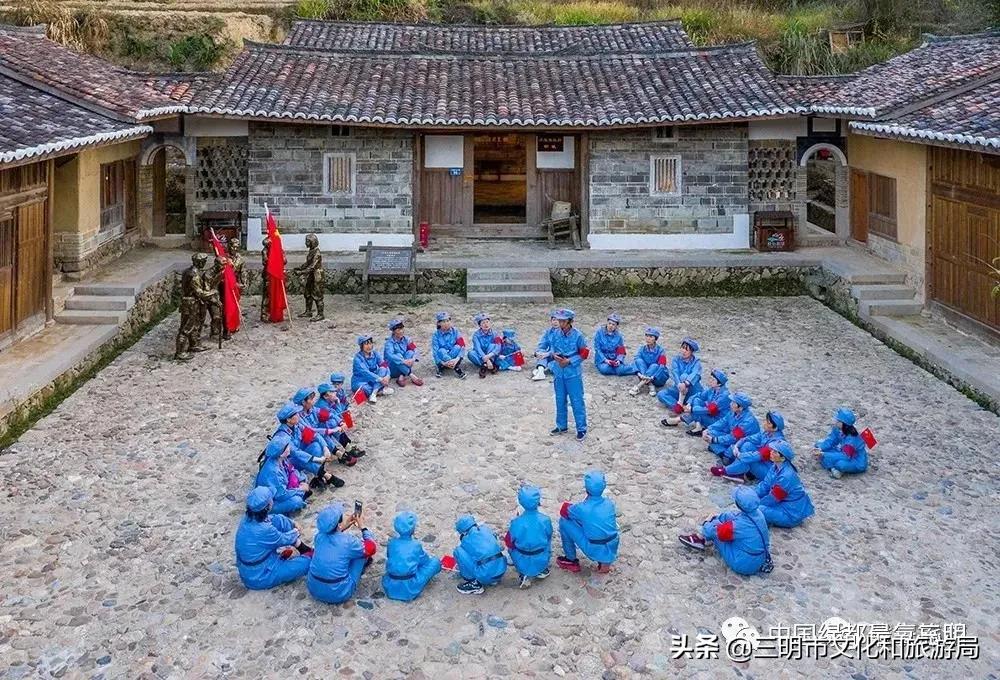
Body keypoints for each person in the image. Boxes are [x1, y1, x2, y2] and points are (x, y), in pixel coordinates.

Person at [677, 487, 771, 576]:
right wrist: (720, 517)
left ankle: (700, 539)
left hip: (743, 563)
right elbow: (735, 515)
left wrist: (707, 522)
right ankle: (702, 537)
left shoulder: (738, 525)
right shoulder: (758, 513)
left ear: (739, 504)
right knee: (722, 525)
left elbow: (715, 531)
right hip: (760, 558)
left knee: (716, 531)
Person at [235, 486, 313, 590]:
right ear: (267, 506)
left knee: (278, 519)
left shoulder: (247, 519)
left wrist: (292, 523)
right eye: (271, 499)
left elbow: (273, 519)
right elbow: (283, 539)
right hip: (260, 575)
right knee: (306, 564)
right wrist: (295, 531)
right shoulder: (265, 530)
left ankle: (297, 549)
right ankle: (303, 552)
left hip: (251, 568)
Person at [307, 503, 378, 604]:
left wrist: (342, 527)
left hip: (314, 588)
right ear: (339, 521)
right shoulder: (348, 541)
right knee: (361, 554)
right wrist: (363, 527)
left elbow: (331, 536)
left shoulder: (318, 537)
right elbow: (371, 548)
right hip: (339, 593)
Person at [556, 470, 619, 574]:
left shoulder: (582, 508)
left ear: (586, 488)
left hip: (594, 548)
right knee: (595, 525)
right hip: (612, 545)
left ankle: (571, 560)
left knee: (564, 522)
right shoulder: (609, 503)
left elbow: (564, 511)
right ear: (603, 487)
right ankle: (605, 561)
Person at [272, 402, 344, 486]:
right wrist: (315, 459)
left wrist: (325, 447)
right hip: (289, 462)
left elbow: (314, 434)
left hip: (300, 454)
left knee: (316, 446)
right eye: (295, 414)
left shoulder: (296, 425)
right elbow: (295, 453)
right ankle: (327, 476)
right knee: (301, 458)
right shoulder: (283, 435)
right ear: (288, 420)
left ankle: (319, 476)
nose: (298, 415)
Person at [381, 511, 443, 602]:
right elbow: (425, 562)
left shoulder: (392, 543)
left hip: (390, 585)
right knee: (435, 562)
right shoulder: (416, 545)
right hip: (409, 587)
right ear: (413, 528)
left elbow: (389, 556)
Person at [711, 410, 786, 483]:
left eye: (768, 423)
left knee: (749, 459)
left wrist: (739, 454)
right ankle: (739, 471)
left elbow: (757, 455)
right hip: (762, 461)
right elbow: (749, 438)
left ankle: (726, 471)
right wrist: (737, 445)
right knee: (747, 445)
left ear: (775, 428)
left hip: (767, 470)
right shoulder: (767, 433)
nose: (765, 423)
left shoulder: (775, 443)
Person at [549, 309, 589, 441]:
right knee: (559, 399)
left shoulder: (578, 335)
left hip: (572, 372)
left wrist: (570, 361)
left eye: (563, 321)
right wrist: (554, 355)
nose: (560, 323)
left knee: (577, 400)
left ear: (570, 321)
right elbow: (553, 347)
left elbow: (584, 353)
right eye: (559, 320)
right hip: (559, 371)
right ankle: (561, 425)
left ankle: (581, 428)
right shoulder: (555, 333)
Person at [754, 440, 815, 528]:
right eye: (772, 450)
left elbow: (774, 498)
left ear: (782, 458)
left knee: (758, 509)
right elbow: (765, 485)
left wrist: (755, 504)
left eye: (775, 452)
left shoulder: (786, 477)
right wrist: (753, 494)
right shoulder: (775, 466)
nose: (771, 452)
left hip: (790, 513)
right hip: (781, 504)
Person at [294, 387, 358, 468]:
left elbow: (328, 414)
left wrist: (340, 422)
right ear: (303, 402)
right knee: (322, 433)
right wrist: (330, 430)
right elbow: (310, 430)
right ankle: (339, 453)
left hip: (317, 432)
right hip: (306, 439)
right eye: (311, 399)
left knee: (332, 423)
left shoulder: (311, 408)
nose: (314, 401)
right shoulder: (298, 416)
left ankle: (345, 448)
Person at [505, 485, 552, 589]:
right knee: (546, 543)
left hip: (522, 559)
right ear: (538, 501)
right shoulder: (546, 520)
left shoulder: (516, 522)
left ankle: (524, 573)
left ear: (521, 502)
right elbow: (549, 536)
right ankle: (542, 569)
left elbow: (508, 542)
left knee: (510, 547)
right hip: (542, 557)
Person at [255, 434, 311, 515]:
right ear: (281, 453)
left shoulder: (280, 459)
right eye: (287, 446)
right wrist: (299, 489)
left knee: (303, 477)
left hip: (282, 490)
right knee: (297, 501)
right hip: (271, 501)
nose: (289, 447)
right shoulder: (274, 471)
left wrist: (300, 481)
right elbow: (281, 495)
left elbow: (291, 470)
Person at [174, 252, 216, 360]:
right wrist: (212, 292)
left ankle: (194, 345)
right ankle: (180, 352)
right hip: (190, 304)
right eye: (204, 262)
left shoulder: (188, 271)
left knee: (194, 325)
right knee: (186, 327)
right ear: (200, 262)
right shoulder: (194, 275)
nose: (205, 263)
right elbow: (200, 293)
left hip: (192, 302)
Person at [453, 514, 507, 594]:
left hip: (486, 574)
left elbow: (466, 554)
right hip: (501, 569)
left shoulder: (466, 540)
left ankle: (473, 583)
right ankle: (493, 580)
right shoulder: (486, 529)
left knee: (458, 551)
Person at [316, 382, 366, 461]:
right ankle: (342, 453)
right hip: (320, 429)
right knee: (334, 425)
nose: (335, 393)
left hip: (326, 426)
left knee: (336, 425)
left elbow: (337, 415)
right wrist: (340, 423)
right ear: (325, 396)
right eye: (332, 392)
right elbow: (337, 415)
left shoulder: (329, 401)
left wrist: (338, 404)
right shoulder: (323, 406)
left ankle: (348, 448)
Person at [658, 338, 703, 424]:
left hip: (693, 390)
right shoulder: (676, 359)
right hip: (678, 389)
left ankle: (683, 404)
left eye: (687, 350)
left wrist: (686, 383)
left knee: (685, 377)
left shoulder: (696, 362)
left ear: (692, 352)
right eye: (682, 348)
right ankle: (680, 406)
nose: (684, 351)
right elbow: (675, 372)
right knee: (661, 394)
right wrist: (679, 384)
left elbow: (695, 374)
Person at [703, 392, 761, 459]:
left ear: (741, 407)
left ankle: (724, 454)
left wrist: (714, 440)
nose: (730, 404)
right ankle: (722, 452)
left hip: (741, 443)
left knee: (734, 448)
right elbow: (722, 422)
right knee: (710, 433)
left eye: (733, 403)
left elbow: (733, 437)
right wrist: (708, 429)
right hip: (732, 438)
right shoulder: (733, 412)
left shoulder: (748, 422)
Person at [815, 407, 869, 479]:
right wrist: (820, 448)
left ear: (843, 424)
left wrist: (824, 454)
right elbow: (831, 441)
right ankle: (833, 467)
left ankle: (833, 468)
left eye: (838, 421)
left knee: (840, 464)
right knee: (819, 444)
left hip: (855, 461)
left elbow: (846, 456)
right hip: (843, 451)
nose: (835, 421)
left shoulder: (851, 440)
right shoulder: (837, 429)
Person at [682, 368, 731, 436]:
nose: (710, 381)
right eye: (710, 378)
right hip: (710, 414)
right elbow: (698, 395)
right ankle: (698, 426)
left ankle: (681, 419)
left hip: (718, 420)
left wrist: (692, 409)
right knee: (697, 401)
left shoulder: (724, 396)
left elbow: (710, 410)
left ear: (719, 384)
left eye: (713, 379)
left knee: (696, 411)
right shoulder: (712, 389)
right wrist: (689, 403)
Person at [351, 334, 393, 403]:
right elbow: (365, 372)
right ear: (361, 346)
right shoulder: (357, 358)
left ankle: (374, 393)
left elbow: (384, 364)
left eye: (370, 343)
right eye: (366, 344)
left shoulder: (375, 353)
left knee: (383, 369)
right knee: (364, 388)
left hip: (374, 379)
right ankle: (379, 391)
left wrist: (388, 375)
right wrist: (380, 379)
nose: (369, 346)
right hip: (360, 380)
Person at [292, 233, 324, 321]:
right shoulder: (311, 251)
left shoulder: (317, 253)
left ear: (312, 242)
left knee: (317, 295)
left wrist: (301, 272)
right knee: (308, 293)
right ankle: (308, 311)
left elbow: (312, 266)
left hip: (317, 275)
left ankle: (320, 314)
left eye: (307, 241)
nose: (306, 243)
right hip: (311, 275)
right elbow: (308, 263)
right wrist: (300, 267)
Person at [384, 318, 424, 386]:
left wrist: (413, 359)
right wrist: (403, 361)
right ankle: (412, 376)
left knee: (410, 352)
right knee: (398, 356)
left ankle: (401, 376)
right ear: (393, 331)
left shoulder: (407, 339)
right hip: (392, 368)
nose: (401, 331)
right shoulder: (389, 343)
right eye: (398, 330)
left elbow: (415, 349)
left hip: (404, 366)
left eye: (402, 329)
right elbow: (391, 355)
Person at [629, 327, 668, 396]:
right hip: (645, 375)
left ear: (655, 338)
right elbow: (635, 361)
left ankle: (639, 386)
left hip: (658, 377)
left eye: (651, 336)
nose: (648, 338)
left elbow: (662, 366)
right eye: (646, 336)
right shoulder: (642, 349)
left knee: (654, 366)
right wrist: (638, 373)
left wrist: (653, 377)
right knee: (639, 361)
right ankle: (650, 384)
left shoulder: (661, 351)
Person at [431, 311, 467, 379]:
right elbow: (435, 352)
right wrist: (442, 362)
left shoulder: (456, 331)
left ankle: (451, 365)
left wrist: (457, 359)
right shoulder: (436, 335)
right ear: (439, 323)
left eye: (448, 321)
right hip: (443, 360)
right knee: (441, 350)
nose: (446, 323)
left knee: (457, 347)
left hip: (455, 358)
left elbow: (462, 346)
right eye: (443, 322)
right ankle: (455, 368)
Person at [468, 312, 502, 378]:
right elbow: (478, 348)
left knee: (492, 345)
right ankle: (488, 365)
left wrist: (489, 355)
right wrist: (487, 360)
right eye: (483, 323)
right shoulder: (476, 335)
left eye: (487, 322)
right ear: (480, 325)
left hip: (491, 354)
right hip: (481, 356)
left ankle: (484, 367)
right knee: (471, 354)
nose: (486, 324)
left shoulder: (495, 333)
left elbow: (498, 346)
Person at [531, 312, 561, 382]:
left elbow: (561, 349)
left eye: (558, 320)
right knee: (542, 353)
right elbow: (542, 344)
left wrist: (548, 354)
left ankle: (542, 370)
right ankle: (541, 371)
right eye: (554, 320)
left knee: (556, 363)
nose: (556, 322)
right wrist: (538, 352)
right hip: (550, 355)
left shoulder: (564, 333)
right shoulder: (548, 332)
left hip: (560, 356)